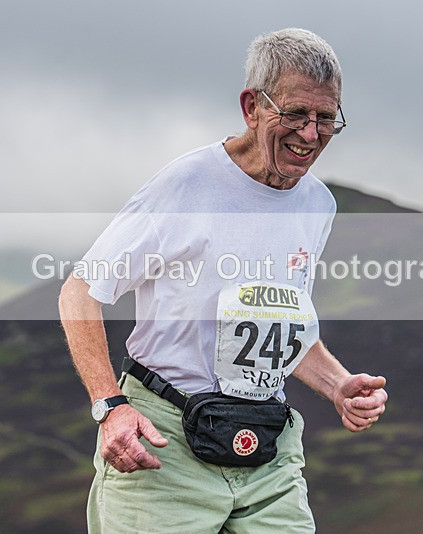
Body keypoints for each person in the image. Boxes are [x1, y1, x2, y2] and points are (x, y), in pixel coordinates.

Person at [59, 28, 388, 533]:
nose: (310, 134)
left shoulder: (317, 203)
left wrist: (338, 384)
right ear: (251, 106)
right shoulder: (186, 186)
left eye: (326, 118)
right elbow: (81, 291)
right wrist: (111, 407)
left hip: (268, 451)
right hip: (162, 446)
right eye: (296, 114)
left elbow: (277, 324)